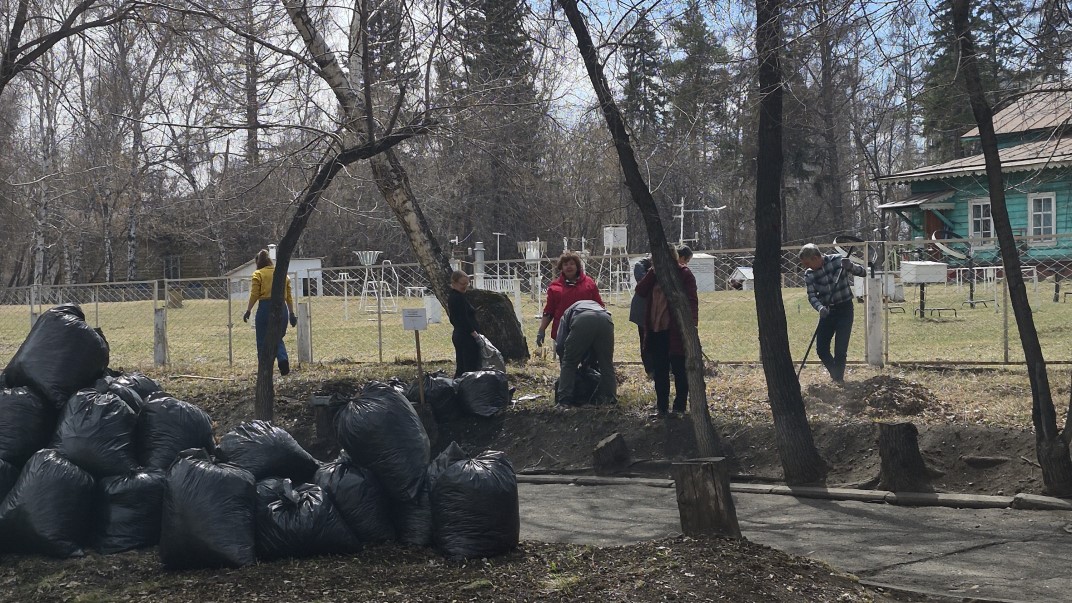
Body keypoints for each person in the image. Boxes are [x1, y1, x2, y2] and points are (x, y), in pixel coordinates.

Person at [635, 245, 698, 417]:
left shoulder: (684, 274)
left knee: (679, 370)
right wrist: (653, 272)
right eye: (655, 258)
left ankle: (679, 407)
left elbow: (692, 300)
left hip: (675, 330)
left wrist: (691, 325)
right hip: (656, 329)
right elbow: (640, 290)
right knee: (660, 371)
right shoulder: (653, 275)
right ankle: (662, 408)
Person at [799, 243, 867, 384]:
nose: (806, 267)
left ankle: (838, 379)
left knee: (840, 350)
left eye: (807, 263)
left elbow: (863, 272)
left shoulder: (838, 260)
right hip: (827, 312)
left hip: (845, 310)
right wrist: (820, 308)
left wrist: (850, 266)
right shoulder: (809, 274)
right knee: (821, 349)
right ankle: (836, 374)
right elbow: (812, 296)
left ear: (816, 258)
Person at [242, 249, 298, 376]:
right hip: (282, 307)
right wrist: (291, 314)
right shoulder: (282, 274)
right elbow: (289, 296)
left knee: (262, 339)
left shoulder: (258, 274)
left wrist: (248, 310)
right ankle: (282, 359)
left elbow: (254, 294)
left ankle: (264, 368)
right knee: (277, 336)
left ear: (258, 262)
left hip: (265, 307)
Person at [536, 251, 604, 352]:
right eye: (565, 264)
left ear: (577, 266)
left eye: (572, 264)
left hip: (586, 329)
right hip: (563, 331)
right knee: (565, 356)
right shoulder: (555, 287)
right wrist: (541, 330)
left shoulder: (589, 283)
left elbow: (599, 306)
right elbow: (549, 311)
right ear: (561, 267)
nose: (569, 267)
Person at [555, 299, 616, 405]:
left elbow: (560, 345)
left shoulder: (566, 314)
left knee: (569, 362)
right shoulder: (594, 306)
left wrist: (566, 364)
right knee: (607, 364)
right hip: (606, 318)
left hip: (582, 319)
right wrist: (587, 364)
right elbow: (594, 349)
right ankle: (610, 399)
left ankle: (564, 400)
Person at [447, 270, 482, 378]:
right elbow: (462, 319)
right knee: (469, 367)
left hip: (461, 335)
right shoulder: (457, 298)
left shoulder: (457, 296)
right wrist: (474, 333)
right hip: (465, 336)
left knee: (462, 366)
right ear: (454, 283)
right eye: (462, 284)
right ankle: (466, 385)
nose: (465, 286)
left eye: (467, 283)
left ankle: (459, 384)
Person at [628, 256, 653, 376]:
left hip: (657, 309)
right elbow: (644, 284)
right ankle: (650, 369)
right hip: (643, 309)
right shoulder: (641, 266)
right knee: (645, 339)